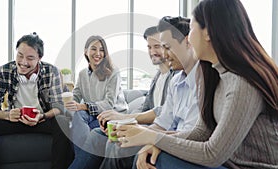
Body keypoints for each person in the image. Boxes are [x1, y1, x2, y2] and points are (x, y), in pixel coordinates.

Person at [116, 0, 278, 169]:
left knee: (161, 160)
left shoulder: (242, 83)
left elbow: (212, 154)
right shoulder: (213, 76)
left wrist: (152, 137)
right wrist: (156, 142)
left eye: (192, 28)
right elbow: (200, 133)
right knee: (152, 154)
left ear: (207, 32)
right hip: (226, 163)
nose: (188, 38)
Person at [66, 26, 178, 169]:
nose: (152, 51)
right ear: (86, 52)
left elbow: (164, 112)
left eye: (157, 46)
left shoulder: (174, 77)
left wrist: (123, 120)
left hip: (138, 123)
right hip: (114, 120)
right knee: (92, 130)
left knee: (114, 143)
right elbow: (146, 107)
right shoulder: (157, 76)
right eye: (149, 47)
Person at [101, 15, 204, 169]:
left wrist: (150, 138)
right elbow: (162, 124)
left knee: (146, 157)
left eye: (167, 47)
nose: (163, 53)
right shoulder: (176, 82)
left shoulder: (203, 80)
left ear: (188, 42)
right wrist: (131, 132)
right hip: (170, 139)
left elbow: (191, 135)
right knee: (119, 145)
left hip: (187, 147)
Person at [0, 32, 74, 169]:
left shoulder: (51, 71)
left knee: (63, 122)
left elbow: (59, 106)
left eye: (30, 58)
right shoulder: (5, 71)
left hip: (41, 120)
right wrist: (6, 115)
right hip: (15, 120)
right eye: (20, 55)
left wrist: (43, 116)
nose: (23, 62)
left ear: (39, 58)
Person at [67, 35, 128, 169]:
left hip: (112, 116)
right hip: (92, 115)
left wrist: (82, 106)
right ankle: (83, 160)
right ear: (85, 51)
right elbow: (76, 95)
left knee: (80, 118)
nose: (98, 53)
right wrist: (67, 102)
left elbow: (109, 104)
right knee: (76, 116)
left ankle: (82, 162)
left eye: (101, 50)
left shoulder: (113, 72)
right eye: (93, 49)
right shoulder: (83, 74)